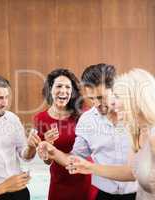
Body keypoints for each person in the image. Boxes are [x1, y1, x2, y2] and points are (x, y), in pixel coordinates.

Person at [66, 69, 155, 200]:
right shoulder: (137, 132)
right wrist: (89, 167)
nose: (113, 103)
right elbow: (131, 172)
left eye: (117, 96)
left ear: (136, 99)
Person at [37, 64, 137, 200]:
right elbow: (75, 159)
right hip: (104, 196)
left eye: (101, 97)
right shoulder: (87, 120)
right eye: (91, 98)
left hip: (139, 194)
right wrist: (52, 151)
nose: (96, 104)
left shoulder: (137, 116)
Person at [0, 74, 41, 200]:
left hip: (19, 191)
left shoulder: (12, 119)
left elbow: (25, 156)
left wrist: (31, 147)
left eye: (6, 97)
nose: (5, 103)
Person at [34, 68, 93, 200]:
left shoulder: (84, 114)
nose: (63, 91)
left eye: (68, 87)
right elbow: (47, 161)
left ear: (72, 92)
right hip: (59, 181)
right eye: (59, 86)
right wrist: (48, 145)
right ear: (50, 89)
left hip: (85, 177)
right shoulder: (41, 118)